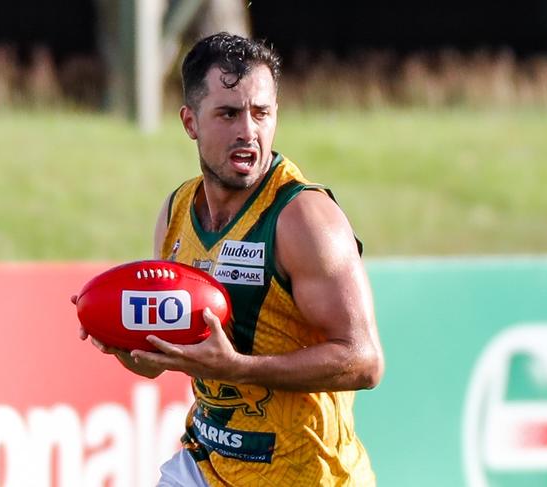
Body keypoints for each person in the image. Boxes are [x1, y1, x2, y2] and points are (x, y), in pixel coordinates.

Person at [78, 32, 384, 486]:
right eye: (228, 113)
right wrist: (130, 349)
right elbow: (167, 357)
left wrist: (239, 368)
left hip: (305, 474)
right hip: (207, 463)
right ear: (190, 122)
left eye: (262, 113)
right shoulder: (177, 211)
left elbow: (364, 361)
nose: (248, 131)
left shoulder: (304, 218)